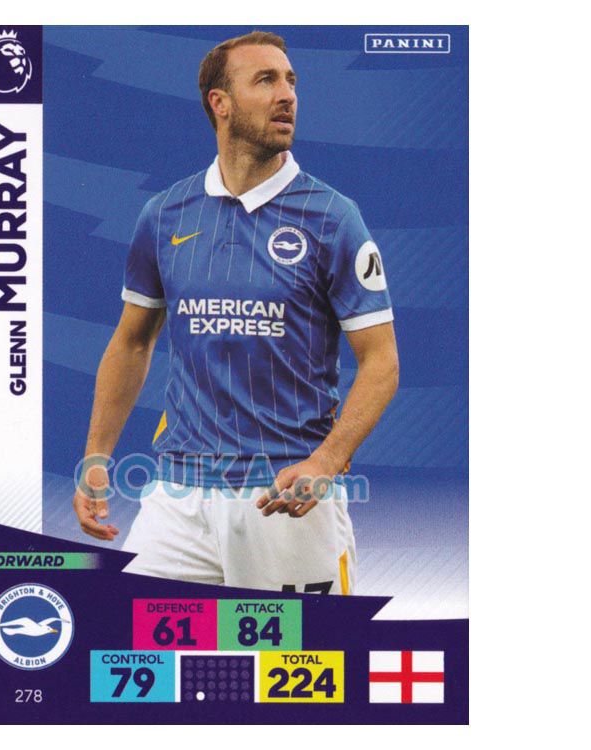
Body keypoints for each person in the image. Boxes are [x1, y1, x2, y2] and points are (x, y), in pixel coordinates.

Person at [73, 31, 399, 595]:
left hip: (286, 495)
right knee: (135, 643)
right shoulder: (165, 214)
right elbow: (132, 342)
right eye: (265, 80)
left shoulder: (333, 218)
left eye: (291, 81)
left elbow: (382, 360)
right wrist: (96, 455)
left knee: (305, 654)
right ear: (219, 102)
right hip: (179, 496)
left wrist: (328, 460)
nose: (287, 94)